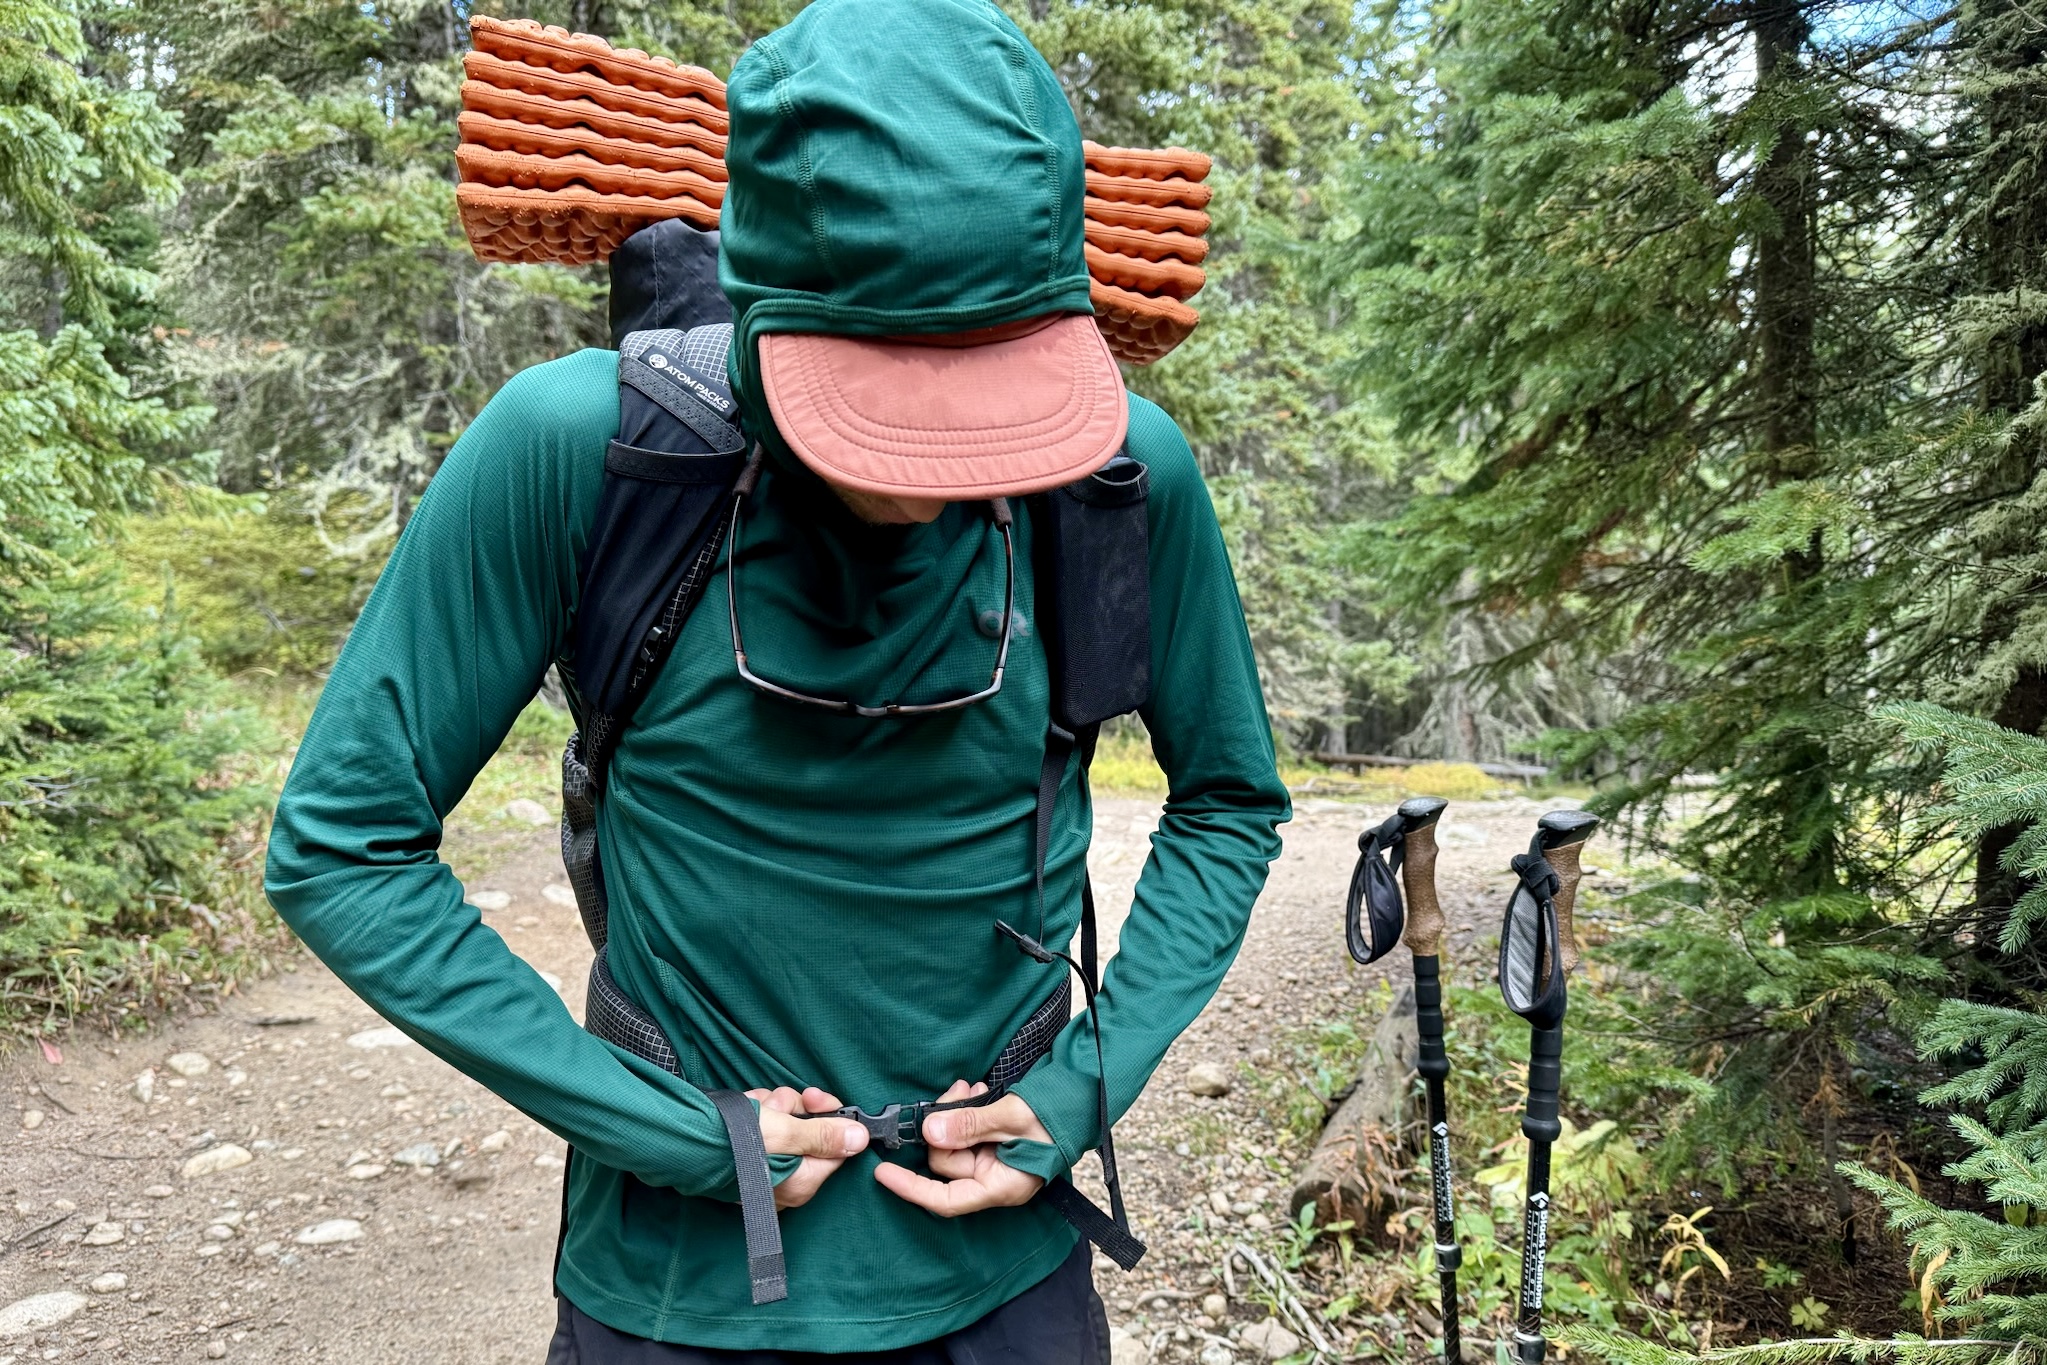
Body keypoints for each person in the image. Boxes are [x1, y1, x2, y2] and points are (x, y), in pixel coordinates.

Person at [264, 0, 1290, 1358]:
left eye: (993, 403)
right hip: (680, 1293)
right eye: (887, 409)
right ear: (763, 312)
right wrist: (667, 1127)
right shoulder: (581, 452)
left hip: (1007, 1284)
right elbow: (342, 845)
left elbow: (1228, 798)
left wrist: (1086, 1086)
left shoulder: (1113, 479)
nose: (951, 471)